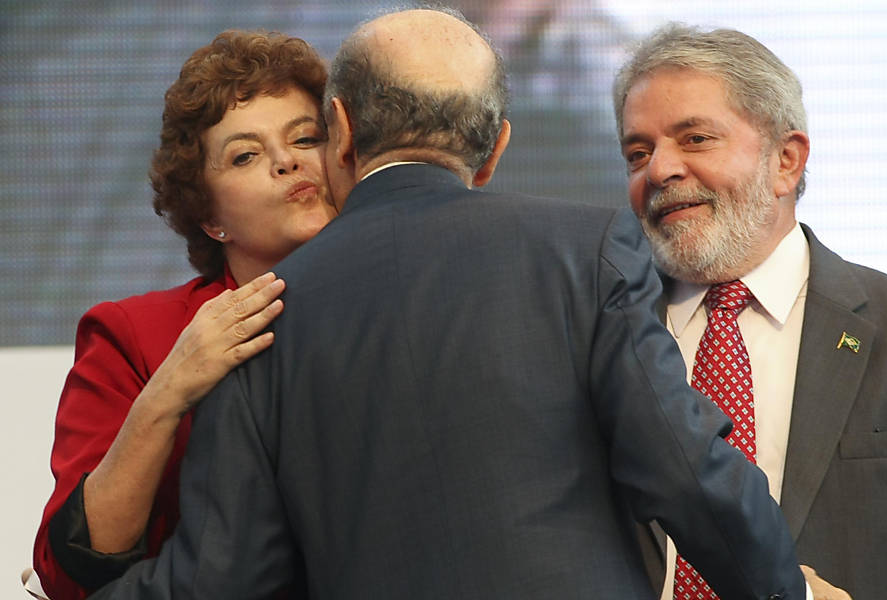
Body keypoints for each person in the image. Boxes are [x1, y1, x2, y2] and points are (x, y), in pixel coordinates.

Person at [86, 8, 807, 600]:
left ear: (339, 131)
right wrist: (789, 591)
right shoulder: (589, 251)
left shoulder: (259, 315)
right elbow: (684, 471)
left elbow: (222, 575)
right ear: (494, 149)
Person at [613, 22, 887, 600]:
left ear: (786, 160)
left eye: (696, 139)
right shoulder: (597, 335)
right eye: (638, 152)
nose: (659, 170)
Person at [33, 30, 335, 600]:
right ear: (209, 217)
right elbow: (68, 574)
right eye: (245, 154)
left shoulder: (398, 305)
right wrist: (168, 393)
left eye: (307, 137)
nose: (287, 161)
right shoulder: (136, 336)